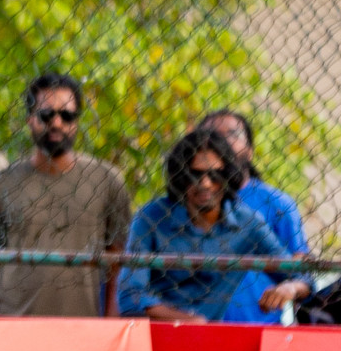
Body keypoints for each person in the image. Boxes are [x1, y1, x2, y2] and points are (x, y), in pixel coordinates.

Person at [0, 73, 132, 317]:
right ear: (30, 120)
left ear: (77, 122)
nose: (56, 123)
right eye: (47, 115)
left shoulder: (107, 181)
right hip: (15, 329)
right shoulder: (1, 185)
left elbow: (118, 261)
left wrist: (112, 325)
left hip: (82, 330)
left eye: (66, 115)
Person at [119, 128, 312, 321]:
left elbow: (302, 277)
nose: (205, 184)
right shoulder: (151, 217)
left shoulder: (245, 223)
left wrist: (290, 287)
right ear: (180, 176)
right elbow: (130, 296)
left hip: (210, 335)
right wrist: (183, 320)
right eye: (195, 174)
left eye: (215, 174)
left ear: (228, 175)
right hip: (155, 334)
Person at [197, 110, 310, 324]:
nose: (220, 140)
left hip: (260, 329)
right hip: (193, 330)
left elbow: (302, 273)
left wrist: (290, 287)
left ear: (249, 151)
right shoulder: (179, 204)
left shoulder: (277, 205)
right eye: (211, 134)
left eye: (232, 134)